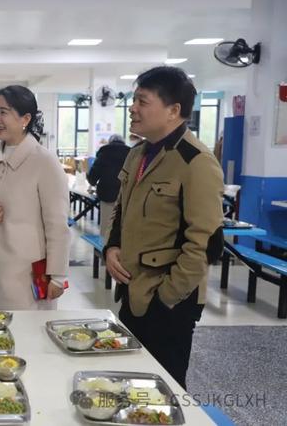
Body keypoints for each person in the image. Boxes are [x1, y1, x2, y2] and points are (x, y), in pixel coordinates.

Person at [104, 66, 224, 389]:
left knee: (163, 390)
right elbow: (121, 210)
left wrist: (166, 299)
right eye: (134, 100)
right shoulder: (137, 154)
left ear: (174, 111)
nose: (133, 108)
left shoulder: (195, 162)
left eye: (143, 101)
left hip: (168, 304)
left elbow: (205, 244)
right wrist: (111, 247)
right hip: (133, 292)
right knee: (130, 384)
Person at [0, 85, 71, 310]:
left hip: (24, 273)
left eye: (4, 112)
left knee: (23, 336)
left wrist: (58, 275)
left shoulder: (44, 161)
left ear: (25, 118)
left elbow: (57, 225)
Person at [86, 133, 130, 240]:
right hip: (126, 195)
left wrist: (90, 179)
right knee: (124, 226)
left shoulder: (104, 152)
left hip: (107, 194)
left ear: (110, 142)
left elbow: (93, 176)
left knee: (107, 226)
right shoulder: (131, 152)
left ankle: (105, 251)